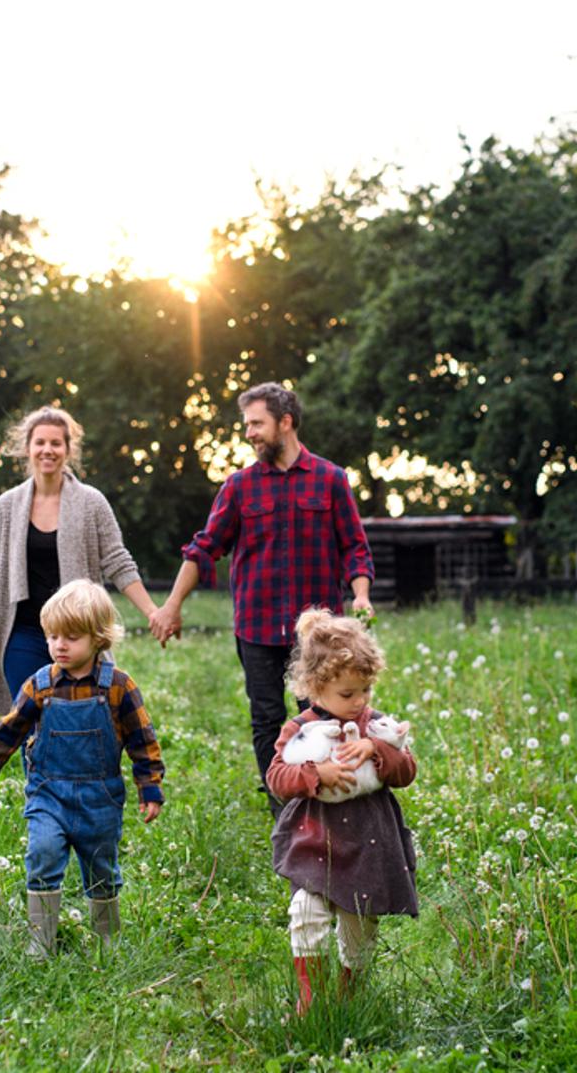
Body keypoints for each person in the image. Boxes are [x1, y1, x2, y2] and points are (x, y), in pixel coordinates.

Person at [149, 382, 374, 815]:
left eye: (257, 423)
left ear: (285, 422)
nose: (249, 432)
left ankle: (332, 804)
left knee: (327, 716)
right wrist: (171, 605)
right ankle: (286, 810)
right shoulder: (239, 487)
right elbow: (204, 547)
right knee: (267, 719)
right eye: (247, 424)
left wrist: (361, 594)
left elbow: (355, 547)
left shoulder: (331, 480)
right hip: (257, 626)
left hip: (319, 634)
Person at [0, 579, 165, 957]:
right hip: (49, 794)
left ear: (99, 639)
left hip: (100, 799)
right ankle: (40, 941)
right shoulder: (39, 686)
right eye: (52, 636)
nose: (59, 645)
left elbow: (142, 740)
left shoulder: (118, 687)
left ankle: (106, 941)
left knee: (102, 869)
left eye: (71, 637)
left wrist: (150, 787)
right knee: (42, 854)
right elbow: (6, 735)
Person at [264, 608, 416, 1015]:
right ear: (315, 689)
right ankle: (309, 998)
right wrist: (316, 773)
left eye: (365, 690)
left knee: (359, 925)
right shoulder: (298, 729)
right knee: (306, 913)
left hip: (367, 844)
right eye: (347, 695)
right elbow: (276, 776)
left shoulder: (377, 726)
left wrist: (378, 749)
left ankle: (351, 987)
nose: (359, 702)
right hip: (315, 840)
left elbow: (407, 772)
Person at [0, 407, 162, 720]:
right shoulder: (7, 505)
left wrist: (153, 612)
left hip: (77, 633)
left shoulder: (92, 503)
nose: (48, 450)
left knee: (81, 715)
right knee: (26, 720)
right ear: (28, 449)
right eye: (40, 443)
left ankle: (76, 771)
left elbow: (118, 561)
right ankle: (35, 773)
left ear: (68, 449)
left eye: (56, 443)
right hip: (22, 631)